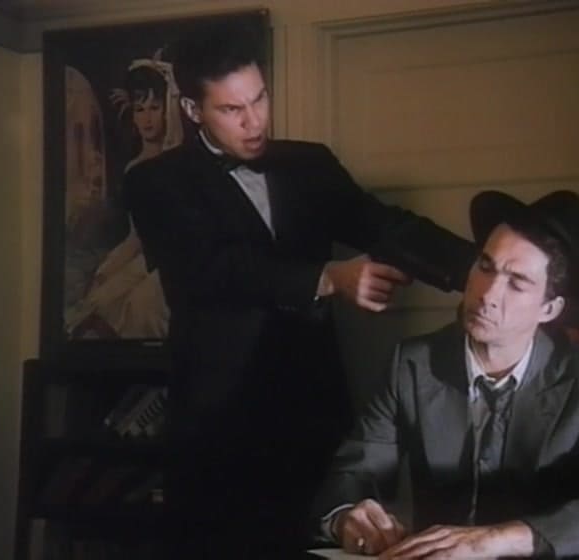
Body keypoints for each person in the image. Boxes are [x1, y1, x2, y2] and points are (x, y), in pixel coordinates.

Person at [123, 21, 475, 558]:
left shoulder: (310, 164)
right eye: (232, 109)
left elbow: (387, 227)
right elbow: (213, 269)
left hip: (314, 416)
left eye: (260, 99)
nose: (255, 121)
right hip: (219, 428)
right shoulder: (153, 182)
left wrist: (488, 273)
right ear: (193, 110)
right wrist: (329, 277)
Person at [313, 190, 579, 559]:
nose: (487, 293)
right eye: (486, 267)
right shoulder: (412, 364)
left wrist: (497, 539)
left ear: (549, 309)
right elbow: (353, 473)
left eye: (517, 282)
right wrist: (346, 516)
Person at [67, 52, 183, 338]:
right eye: (140, 109)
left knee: (139, 304)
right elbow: (135, 236)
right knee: (98, 299)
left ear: (167, 110)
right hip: (140, 256)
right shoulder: (134, 168)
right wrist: (110, 266)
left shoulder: (177, 160)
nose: (147, 118)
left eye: (155, 108)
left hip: (171, 258)